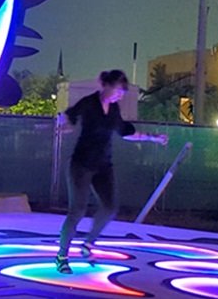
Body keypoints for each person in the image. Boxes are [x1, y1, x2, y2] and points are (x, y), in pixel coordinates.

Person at [55, 69, 168, 274]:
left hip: (103, 166)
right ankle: (62, 256)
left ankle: (88, 245)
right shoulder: (89, 103)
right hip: (81, 164)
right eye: (117, 91)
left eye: (122, 94)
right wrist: (65, 124)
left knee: (109, 207)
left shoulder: (114, 110)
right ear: (106, 86)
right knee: (77, 210)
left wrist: (152, 137)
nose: (119, 96)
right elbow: (69, 114)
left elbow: (125, 131)